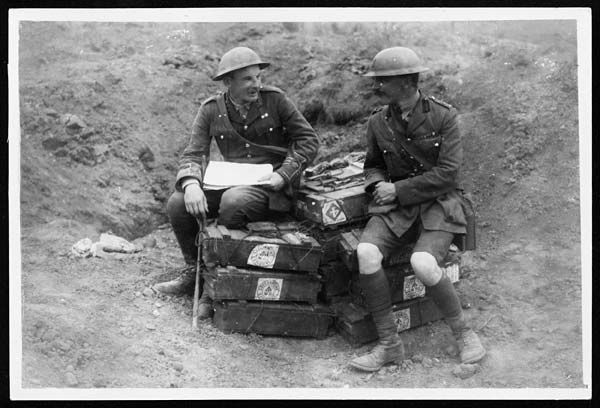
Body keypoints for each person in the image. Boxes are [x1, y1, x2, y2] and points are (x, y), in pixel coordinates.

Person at [154, 47, 319, 319]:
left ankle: (214, 283)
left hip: (270, 187)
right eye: (247, 79)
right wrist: (192, 184)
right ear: (228, 82)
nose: (257, 84)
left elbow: (309, 141)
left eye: (257, 77)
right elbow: (194, 151)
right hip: (231, 182)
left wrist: (284, 174)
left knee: (233, 202)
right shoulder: (211, 110)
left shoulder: (276, 101)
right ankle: (194, 272)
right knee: (178, 203)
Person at [349, 46, 485, 372]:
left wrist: (397, 189)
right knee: (366, 253)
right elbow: (373, 166)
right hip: (396, 207)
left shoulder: (444, 116)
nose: (378, 87)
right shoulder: (378, 121)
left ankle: (464, 334)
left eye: (384, 81)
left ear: (406, 82)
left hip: (439, 203)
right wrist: (377, 186)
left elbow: (448, 173)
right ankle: (389, 345)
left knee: (422, 263)